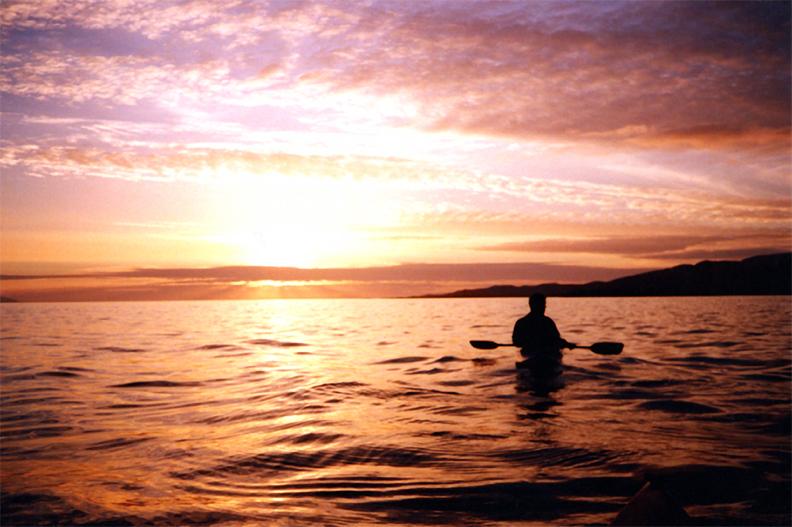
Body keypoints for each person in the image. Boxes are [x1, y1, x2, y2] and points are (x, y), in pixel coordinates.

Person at [512, 293, 573, 365]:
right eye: (543, 304)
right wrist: (564, 343)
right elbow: (557, 340)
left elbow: (516, 343)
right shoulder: (548, 322)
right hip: (548, 359)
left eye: (544, 304)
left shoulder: (521, 322)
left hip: (529, 358)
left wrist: (564, 343)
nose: (545, 307)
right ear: (533, 305)